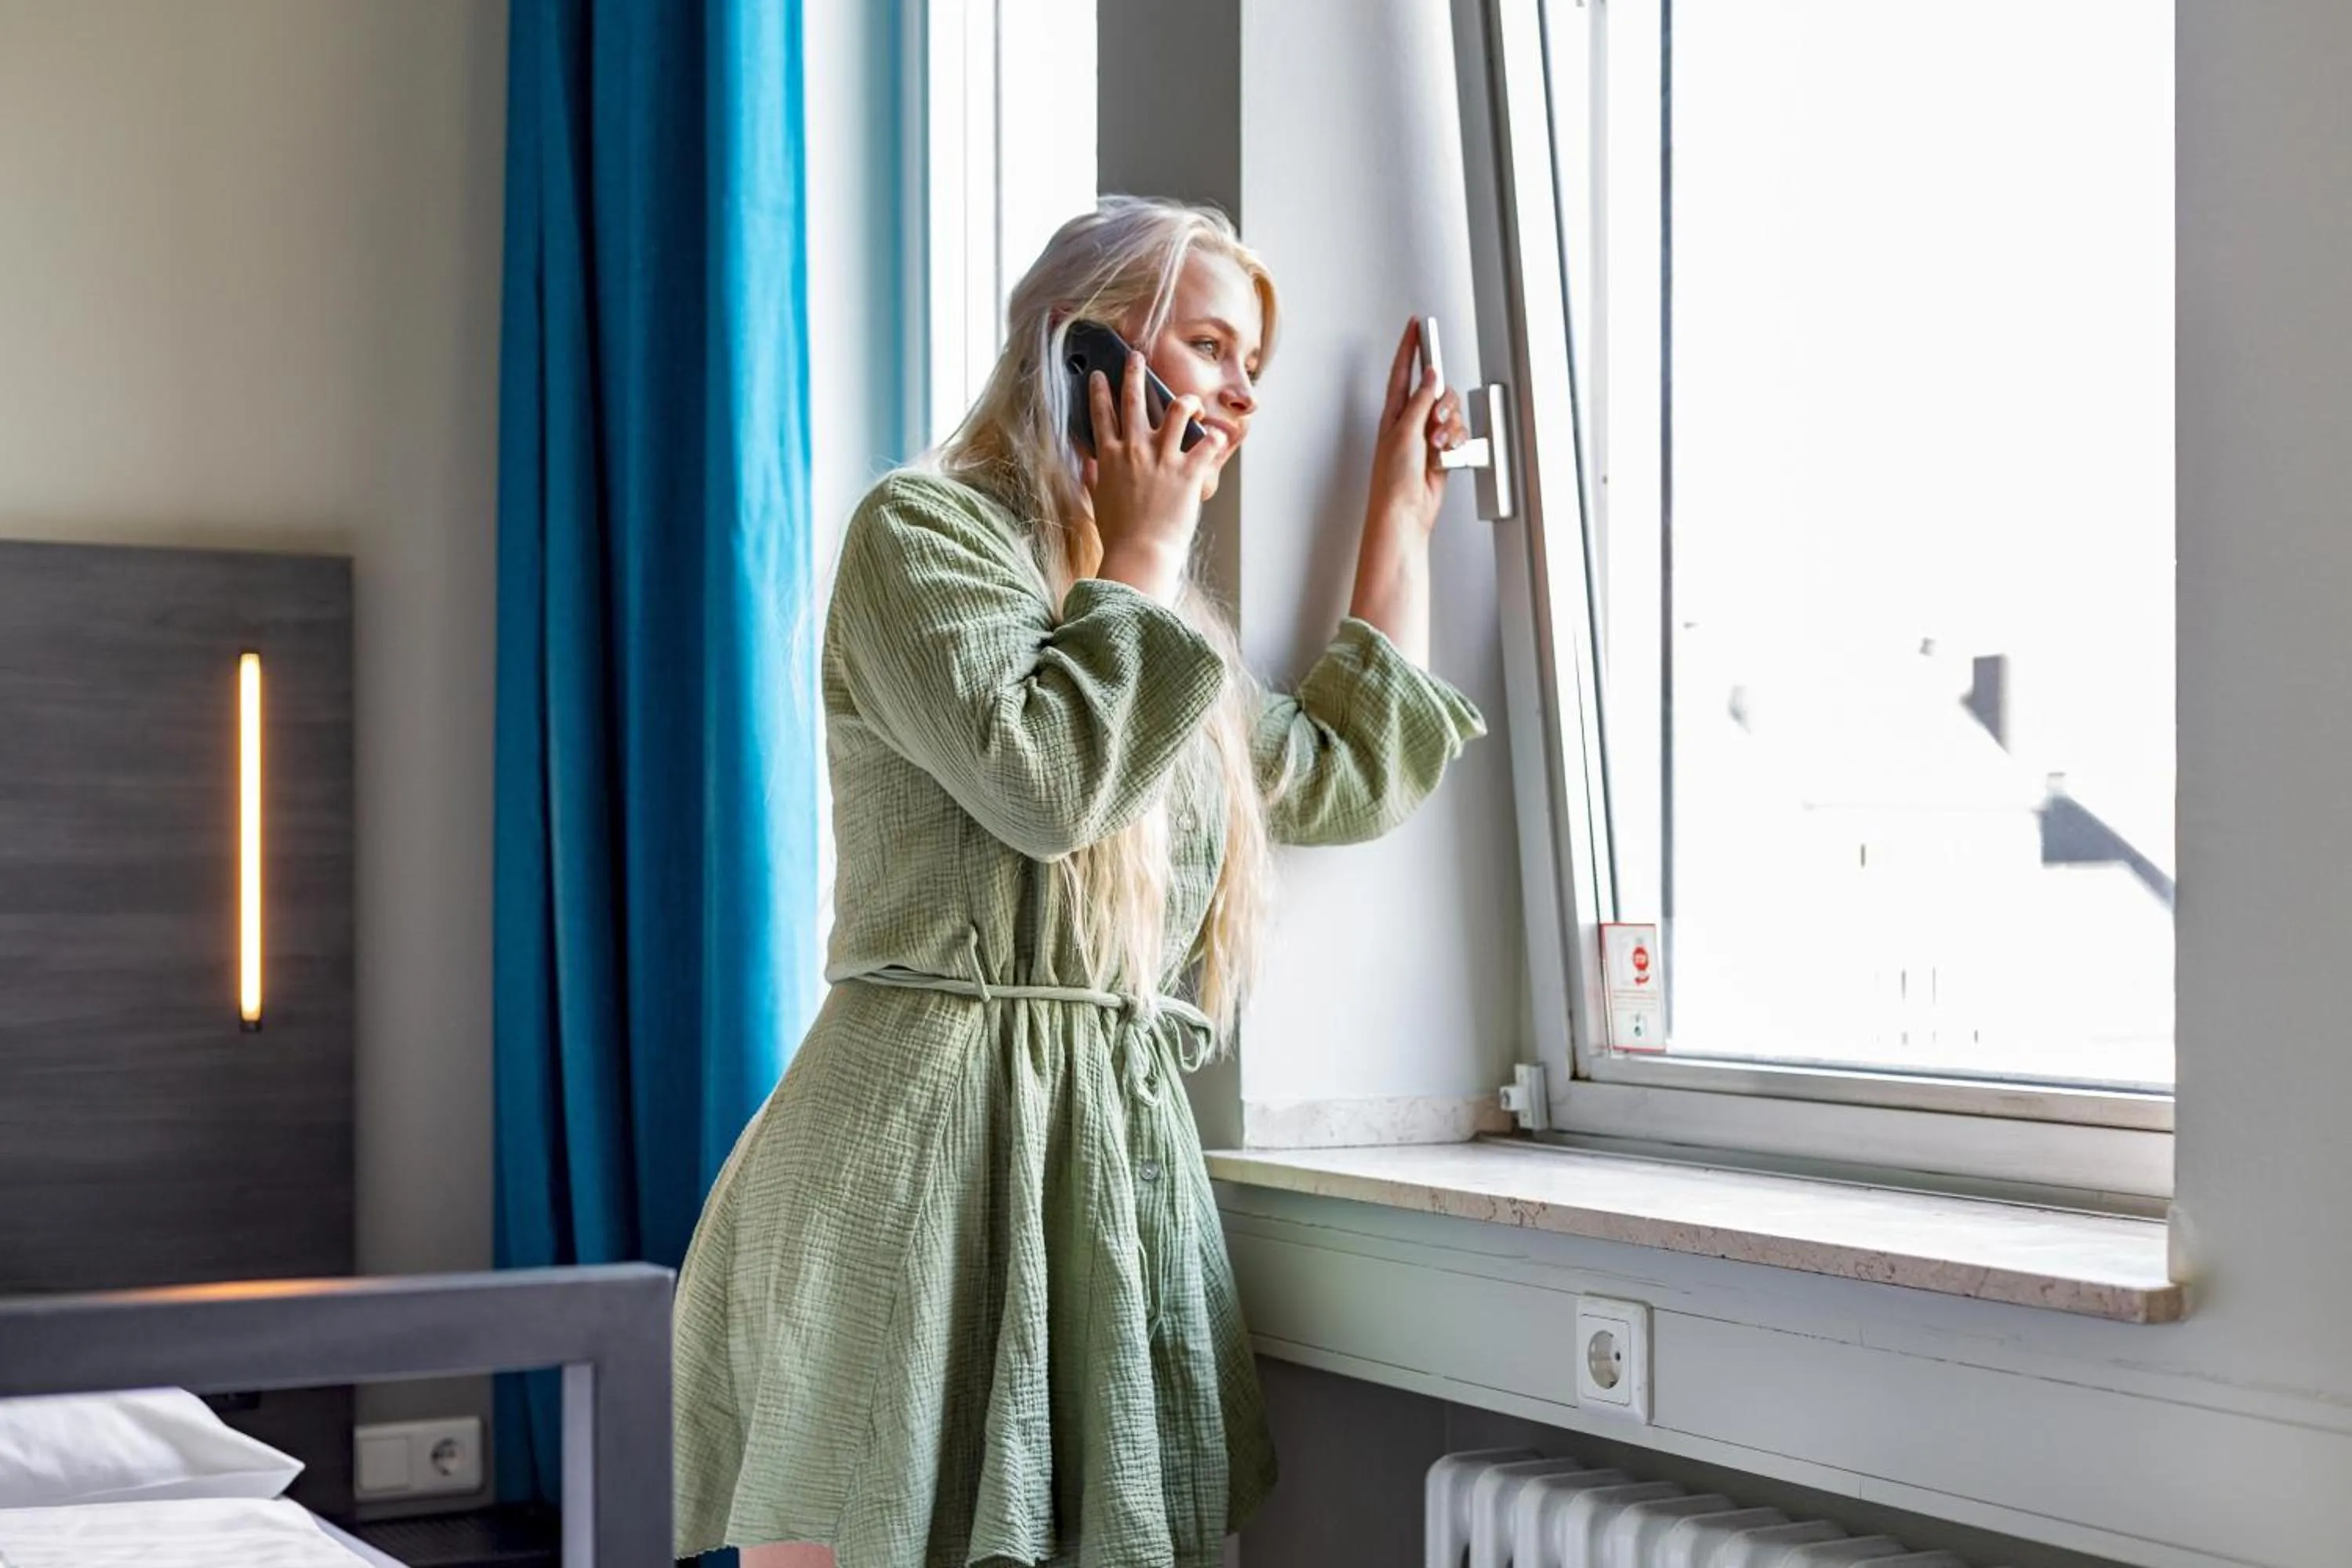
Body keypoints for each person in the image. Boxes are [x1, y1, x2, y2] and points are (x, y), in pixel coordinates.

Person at [672, 194, 1486, 1568]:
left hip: (1096, 1168)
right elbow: (1046, 787)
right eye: (1216, 346)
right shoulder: (919, 537)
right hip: (909, 1159)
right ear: (1092, 351)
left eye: (1255, 368)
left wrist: (1397, 515)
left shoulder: (1166, 640)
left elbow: (1343, 770)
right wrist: (1151, 559)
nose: (1241, 392)